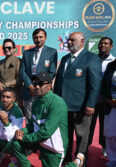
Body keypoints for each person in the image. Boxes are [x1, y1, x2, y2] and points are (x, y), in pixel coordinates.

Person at [54, 32, 102, 166]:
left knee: (82, 136)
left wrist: (91, 104)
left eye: (72, 40)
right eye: (69, 40)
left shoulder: (91, 58)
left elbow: (95, 84)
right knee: (65, 135)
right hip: (63, 107)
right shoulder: (64, 59)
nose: (69, 42)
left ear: (82, 42)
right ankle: (66, 157)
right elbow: (59, 82)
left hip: (81, 106)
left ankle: (80, 160)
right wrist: (57, 102)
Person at [20, 28, 57, 121]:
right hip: (29, 91)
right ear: (33, 39)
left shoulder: (52, 52)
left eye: (41, 37)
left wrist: (39, 85)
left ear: (45, 38)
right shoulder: (27, 53)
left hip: (43, 91)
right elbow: (22, 71)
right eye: (36, 37)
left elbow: (52, 72)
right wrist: (30, 85)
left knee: (43, 119)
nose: (38, 39)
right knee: (29, 118)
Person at [88, 37, 115, 157]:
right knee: (89, 125)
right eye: (101, 43)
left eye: (106, 43)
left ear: (111, 46)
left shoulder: (113, 62)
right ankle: (85, 147)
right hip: (91, 100)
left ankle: (104, 147)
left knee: (105, 126)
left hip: (106, 101)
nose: (102, 45)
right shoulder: (91, 59)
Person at [0, 38, 23, 110]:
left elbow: (20, 78)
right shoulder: (0, 63)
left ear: (14, 49)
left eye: (9, 48)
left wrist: (6, 85)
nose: (6, 49)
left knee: (14, 118)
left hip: (15, 95)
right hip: (2, 95)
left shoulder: (19, 62)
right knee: (1, 117)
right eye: (4, 48)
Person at [102, 58, 116, 167]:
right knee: (110, 133)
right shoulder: (111, 65)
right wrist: (107, 99)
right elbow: (105, 83)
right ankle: (113, 158)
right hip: (110, 104)